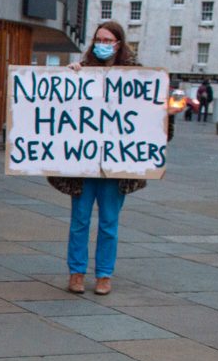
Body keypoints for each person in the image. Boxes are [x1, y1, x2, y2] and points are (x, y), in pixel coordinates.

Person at [50, 20, 175, 296]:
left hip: (115, 166)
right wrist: (67, 78)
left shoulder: (137, 76)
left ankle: (104, 275)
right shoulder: (82, 71)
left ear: (119, 43)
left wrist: (165, 112)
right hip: (83, 164)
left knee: (109, 222)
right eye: (98, 40)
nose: (102, 45)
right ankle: (77, 273)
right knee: (79, 221)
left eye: (108, 41)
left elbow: (152, 121)